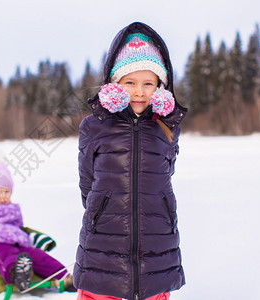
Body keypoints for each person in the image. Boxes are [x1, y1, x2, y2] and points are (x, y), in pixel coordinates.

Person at [73, 22, 187, 300]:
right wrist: (101, 208)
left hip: (156, 235)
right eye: (130, 83)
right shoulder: (95, 125)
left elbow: (166, 172)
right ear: (115, 85)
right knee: (99, 291)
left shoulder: (166, 126)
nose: (139, 92)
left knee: (154, 290)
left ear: (160, 87)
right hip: (104, 235)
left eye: (148, 84)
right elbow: (87, 179)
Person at [0, 151, 74, 292]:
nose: (3, 196)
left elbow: (19, 226)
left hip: (19, 244)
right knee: (7, 256)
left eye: (6, 192)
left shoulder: (13, 209)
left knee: (38, 256)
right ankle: (18, 275)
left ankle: (65, 277)